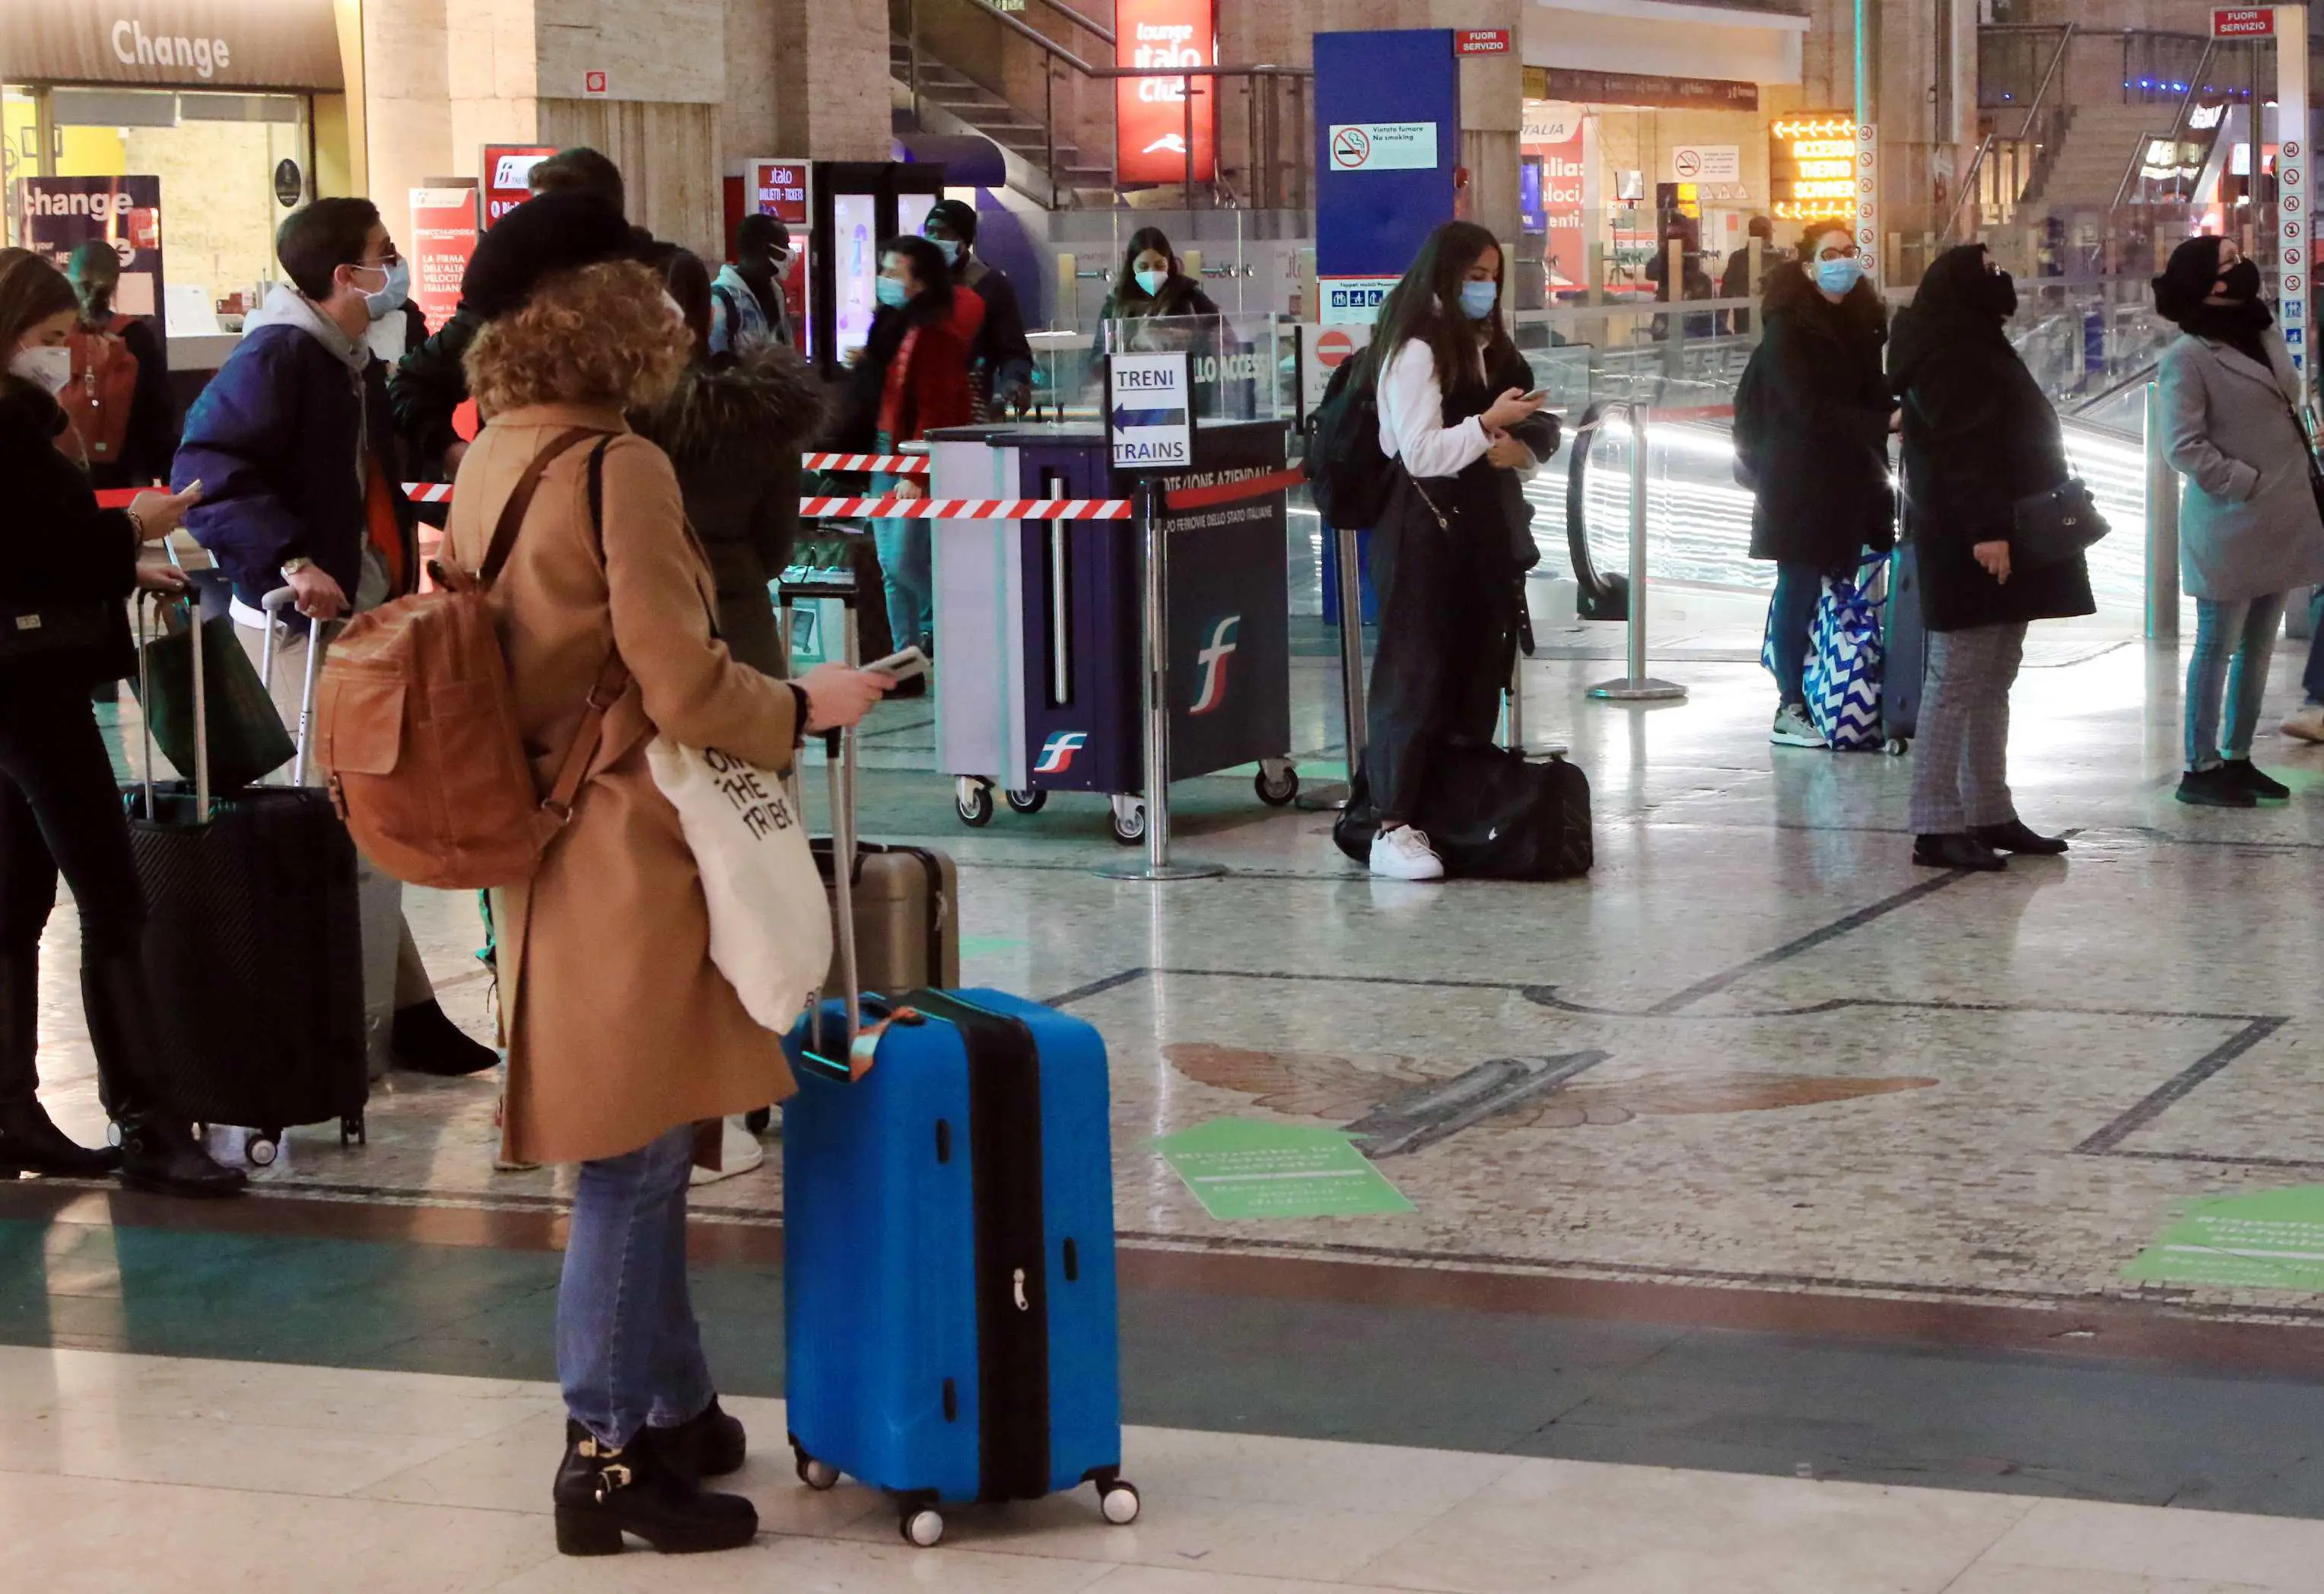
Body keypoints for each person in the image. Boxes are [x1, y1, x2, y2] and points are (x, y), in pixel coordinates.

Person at [450, 254, 891, 1555]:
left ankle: (679, 1408)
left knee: (645, 1128)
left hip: (542, 831)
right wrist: (806, 704)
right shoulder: (618, 467)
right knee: (631, 1160)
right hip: (634, 841)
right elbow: (682, 680)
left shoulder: (494, 454)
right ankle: (603, 1456)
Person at [173, 197, 494, 1079]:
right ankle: (328, 1028)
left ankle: (400, 1012)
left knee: (360, 821)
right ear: (339, 277)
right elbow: (207, 468)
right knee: (323, 825)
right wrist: (289, 560)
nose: (392, 270)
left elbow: (364, 482)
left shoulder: (342, 360)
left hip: (356, 621)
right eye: (380, 256)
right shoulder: (279, 355)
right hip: (296, 634)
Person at [0, 247, 246, 1196]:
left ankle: (12, 1111)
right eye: (52, 340)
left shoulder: (23, 424)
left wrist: (113, 565)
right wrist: (134, 530)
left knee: (16, 904)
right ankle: (150, 1121)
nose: (65, 360)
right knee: (114, 897)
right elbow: (29, 545)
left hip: (15, 678)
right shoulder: (11, 428)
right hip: (31, 690)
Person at [1359, 221, 1555, 881]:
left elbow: (1534, 421)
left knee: (1473, 672)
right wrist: (1486, 426)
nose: (1486, 288)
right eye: (1474, 275)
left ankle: (1451, 807)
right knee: (1413, 672)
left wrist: (1520, 445)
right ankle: (1391, 822)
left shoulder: (1485, 343)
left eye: (1493, 276)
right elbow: (1418, 452)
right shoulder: (1414, 346)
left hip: (1477, 534)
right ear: (1443, 273)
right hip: (1422, 530)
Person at [1890, 243, 2091, 870]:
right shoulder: (1947, 352)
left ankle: (1988, 808)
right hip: (1972, 540)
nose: (2001, 281)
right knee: (1955, 678)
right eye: (1988, 274)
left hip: (2004, 530)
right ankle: (1934, 823)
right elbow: (1963, 451)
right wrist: (1985, 531)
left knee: (1993, 676)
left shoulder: (1970, 339)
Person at [2152, 235, 2324, 807]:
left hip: (2278, 517)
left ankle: (2237, 755)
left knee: (2258, 646)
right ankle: (2198, 767)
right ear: (2211, 284)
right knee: (2216, 642)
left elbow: (2290, 393)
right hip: (2229, 522)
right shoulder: (2187, 356)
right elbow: (2181, 445)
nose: (2243, 266)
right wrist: (2240, 481)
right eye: (2230, 262)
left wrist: (2265, 321)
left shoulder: (2256, 331)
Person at [1734, 227, 1894, 748]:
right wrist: (1878, 424)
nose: (1843, 262)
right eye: (1830, 254)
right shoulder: (1787, 330)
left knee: (1839, 589)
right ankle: (1789, 703)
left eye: (1849, 252)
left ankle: (1830, 693)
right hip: (1797, 479)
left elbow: (1871, 392)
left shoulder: (1862, 325)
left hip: (1849, 477)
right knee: (1799, 585)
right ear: (1807, 266)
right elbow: (1804, 408)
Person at [389, 147, 634, 479]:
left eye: (551, 217)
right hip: (522, 492)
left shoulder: (648, 305)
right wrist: (456, 453)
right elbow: (412, 385)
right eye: (531, 214)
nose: (532, 232)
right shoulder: (498, 308)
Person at [838, 235, 982, 663]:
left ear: (918, 282)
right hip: (880, 453)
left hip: (906, 461)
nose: (883, 279)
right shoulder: (890, 328)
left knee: (904, 561)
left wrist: (916, 472)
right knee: (890, 568)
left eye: (892, 272)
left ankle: (953, 620)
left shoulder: (934, 336)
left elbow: (936, 407)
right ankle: (906, 659)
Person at [59, 240, 177, 491]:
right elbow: (158, 415)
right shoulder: (137, 336)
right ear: (116, 281)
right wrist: (164, 473)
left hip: (61, 472)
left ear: (69, 278)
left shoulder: (52, 334)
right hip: (124, 475)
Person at [921, 199, 1032, 415]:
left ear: (964, 241)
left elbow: (1012, 349)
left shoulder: (990, 285)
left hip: (970, 405)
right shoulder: (917, 281)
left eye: (944, 233)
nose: (934, 239)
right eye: (930, 231)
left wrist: (1015, 380)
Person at [709, 212, 795, 353]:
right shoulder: (720, 299)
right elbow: (717, 364)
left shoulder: (778, 291)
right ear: (762, 249)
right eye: (784, 246)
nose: (789, 254)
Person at [1101, 227, 1220, 323]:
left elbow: (1222, 340)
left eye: (1159, 266)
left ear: (1169, 264)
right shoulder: (1117, 302)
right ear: (1132, 266)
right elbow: (1100, 351)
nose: (1151, 272)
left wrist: (1192, 339)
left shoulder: (1190, 296)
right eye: (1143, 267)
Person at [1718, 215, 1776, 336]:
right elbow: (1726, 291)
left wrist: (1721, 321)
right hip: (1752, 319)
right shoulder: (1777, 259)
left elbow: (1726, 291)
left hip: (1760, 319)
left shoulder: (1738, 258)